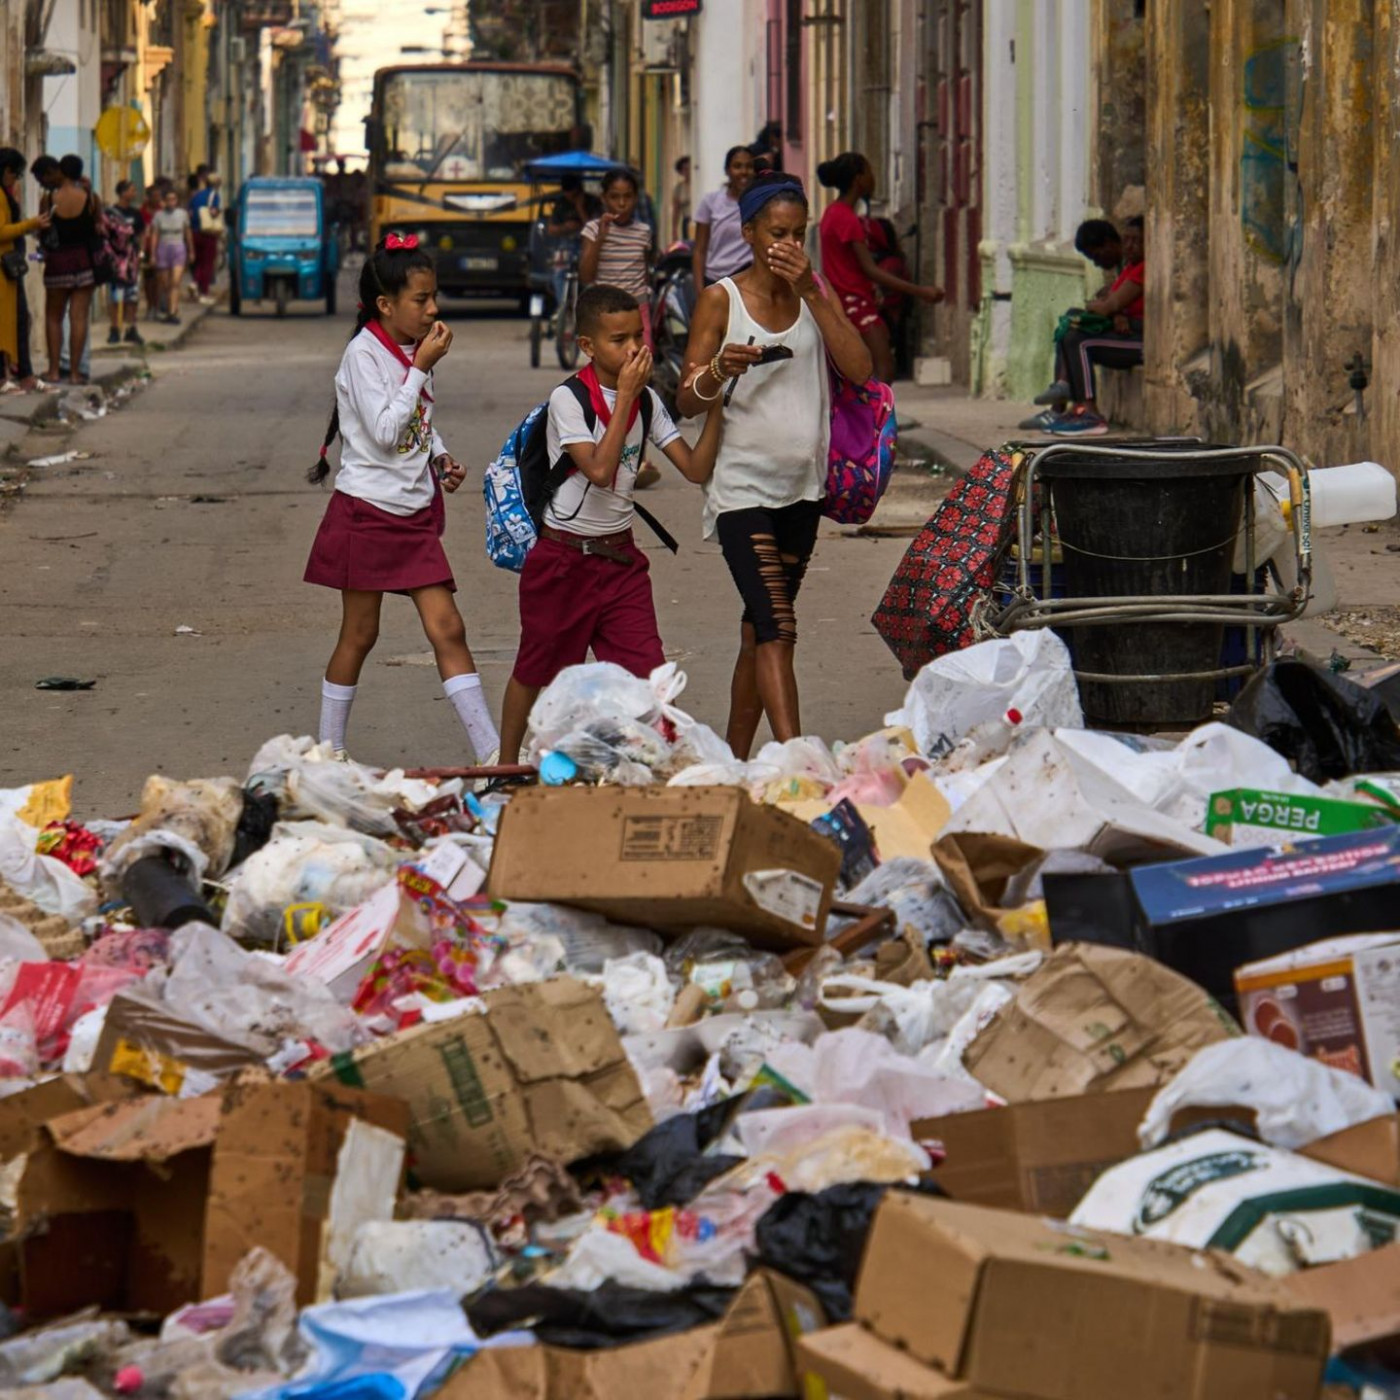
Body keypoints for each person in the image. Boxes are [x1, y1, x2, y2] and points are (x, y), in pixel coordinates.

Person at [677, 171, 873, 758]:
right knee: (778, 627)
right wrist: (720, 369)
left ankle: (735, 761)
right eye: (775, 233)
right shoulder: (722, 299)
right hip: (741, 489)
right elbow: (686, 399)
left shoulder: (816, 293)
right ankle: (797, 758)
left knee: (757, 629)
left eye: (797, 233)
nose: (786, 245)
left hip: (803, 488)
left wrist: (815, 292)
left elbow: (861, 370)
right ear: (749, 232)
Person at [497, 284, 726, 764]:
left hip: (619, 561)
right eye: (618, 340)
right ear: (587, 346)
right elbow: (600, 471)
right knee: (537, 671)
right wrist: (624, 396)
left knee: (652, 679)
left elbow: (695, 469)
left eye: (637, 337)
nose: (634, 350)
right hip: (563, 560)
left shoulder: (646, 401)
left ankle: (666, 765)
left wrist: (719, 403)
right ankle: (505, 763)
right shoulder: (569, 400)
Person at [303, 234, 498, 764]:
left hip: (411, 514)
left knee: (448, 627)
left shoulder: (413, 350)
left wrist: (441, 456)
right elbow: (385, 431)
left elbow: (414, 423)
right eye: (420, 299)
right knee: (360, 634)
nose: (433, 309)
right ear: (385, 305)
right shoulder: (362, 355)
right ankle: (329, 750)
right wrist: (420, 368)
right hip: (367, 510)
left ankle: (491, 751)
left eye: (434, 296)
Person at [816, 152, 943, 383]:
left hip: (844, 301)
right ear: (858, 179)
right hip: (855, 303)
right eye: (869, 172)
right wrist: (920, 291)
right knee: (883, 369)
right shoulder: (847, 219)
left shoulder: (831, 214)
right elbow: (870, 269)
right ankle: (877, 419)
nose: (873, 179)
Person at [1041, 215, 1145, 436]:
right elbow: (1110, 297)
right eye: (1126, 240)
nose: (1129, 247)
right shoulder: (1129, 268)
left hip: (1141, 340)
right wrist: (1112, 308)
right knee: (1069, 326)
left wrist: (1109, 307)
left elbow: (1109, 303)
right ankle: (1065, 405)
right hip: (1126, 333)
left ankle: (1090, 412)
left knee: (1079, 341)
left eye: (1136, 241)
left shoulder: (1143, 269)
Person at [33, 154, 101, 385]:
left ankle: (53, 371)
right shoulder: (91, 198)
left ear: (61, 171)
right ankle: (74, 373)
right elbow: (99, 227)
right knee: (78, 317)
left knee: (54, 317)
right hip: (84, 262)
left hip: (57, 263)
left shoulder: (49, 198)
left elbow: (43, 230)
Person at [579, 169, 654, 344]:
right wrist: (600, 239)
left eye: (627, 197)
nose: (621, 203)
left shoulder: (644, 231)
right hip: (606, 309)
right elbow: (586, 275)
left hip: (637, 306)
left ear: (635, 198)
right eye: (614, 197)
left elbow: (645, 269)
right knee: (610, 360)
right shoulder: (593, 229)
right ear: (604, 198)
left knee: (641, 357)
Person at [0, 146, 50, 393]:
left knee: (18, 320)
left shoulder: (6, 194)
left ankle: (19, 373)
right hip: (3, 268)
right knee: (10, 322)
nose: (15, 180)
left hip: (10, 268)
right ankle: (10, 376)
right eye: (15, 175)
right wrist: (30, 224)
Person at [692, 146, 755, 292]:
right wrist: (700, 291)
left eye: (749, 166)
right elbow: (699, 250)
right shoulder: (711, 202)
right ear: (727, 170)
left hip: (747, 282)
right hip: (716, 280)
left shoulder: (760, 204)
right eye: (737, 166)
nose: (744, 172)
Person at [105, 179, 145, 346]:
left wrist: (141, 252)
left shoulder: (136, 214)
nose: (134, 193)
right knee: (115, 296)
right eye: (131, 190)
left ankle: (131, 328)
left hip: (132, 261)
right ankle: (115, 328)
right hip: (115, 260)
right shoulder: (111, 213)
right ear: (122, 193)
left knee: (132, 296)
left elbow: (142, 233)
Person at [148, 187, 193, 324]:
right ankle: (169, 309)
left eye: (173, 199)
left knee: (175, 281)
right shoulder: (158, 216)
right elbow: (155, 235)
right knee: (165, 283)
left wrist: (191, 251)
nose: (171, 202)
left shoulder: (182, 214)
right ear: (164, 201)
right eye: (168, 199)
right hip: (163, 247)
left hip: (178, 247)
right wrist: (152, 254)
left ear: (177, 201)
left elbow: (187, 233)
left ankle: (172, 311)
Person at [188, 170, 222, 304]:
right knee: (207, 263)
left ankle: (195, 283)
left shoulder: (196, 196)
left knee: (198, 261)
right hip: (208, 232)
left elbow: (190, 212)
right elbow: (213, 212)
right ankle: (201, 290)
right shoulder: (214, 196)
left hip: (195, 232)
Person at [140, 184, 163, 320]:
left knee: (158, 280)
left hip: (161, 248)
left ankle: (157, 306)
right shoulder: (143, 211)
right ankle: (150, 306)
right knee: (148, 279)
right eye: (155, 196)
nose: (157, 199)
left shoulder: (162, 211)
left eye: (159, 196)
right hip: (147, 248)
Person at [671, 155, 691, 241]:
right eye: (685, 169)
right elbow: (676, 209)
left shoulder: (698, 185)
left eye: (688, 168)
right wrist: (674, 229)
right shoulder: (679, 188)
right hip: (686, 220)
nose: (687, 171)